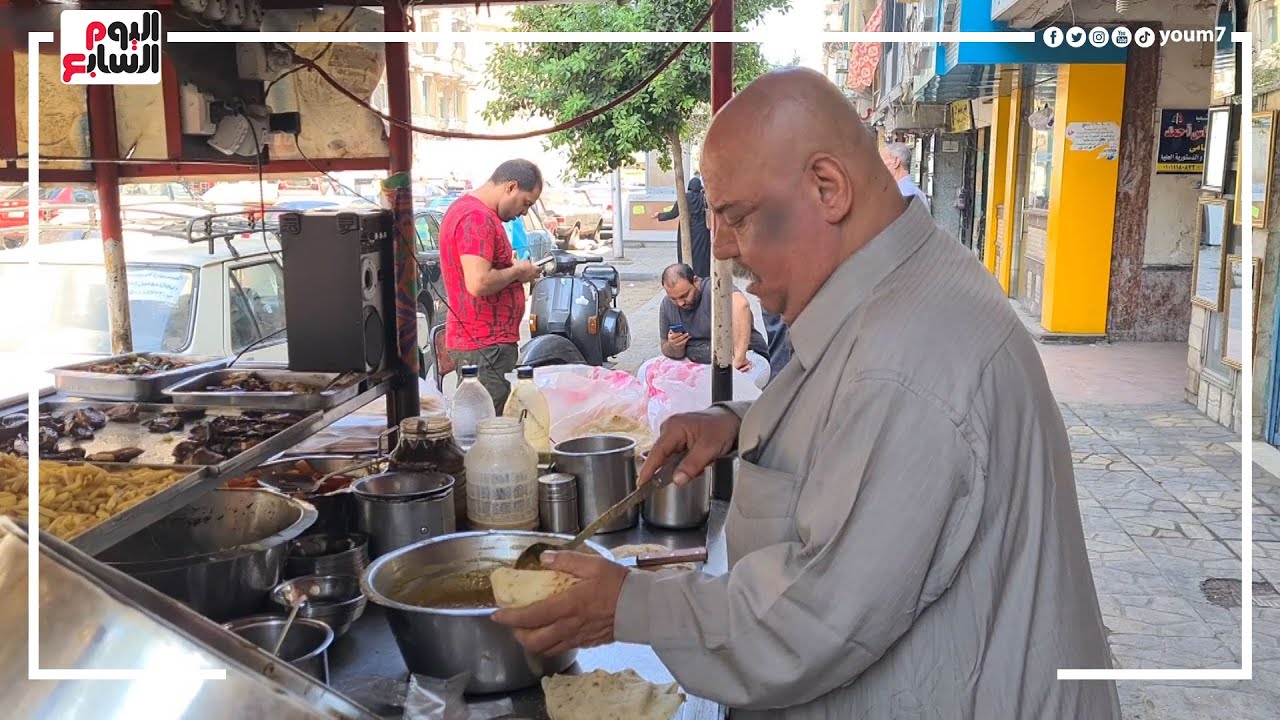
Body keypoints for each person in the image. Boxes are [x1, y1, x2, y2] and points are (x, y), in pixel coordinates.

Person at [491, 68, 1120, 718]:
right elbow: (846, 414)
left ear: (828, 188)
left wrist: (627, 604)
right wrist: (738, 423)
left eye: (737, 218)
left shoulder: (908, 358)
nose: (724, 250)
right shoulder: (894, 288)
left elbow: (813, 620)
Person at [438, 159, 544, 414]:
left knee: (490, 422)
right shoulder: (476, 218)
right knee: (489, 426)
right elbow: (479, 282)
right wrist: (518, 271)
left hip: (485, 345)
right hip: (485, 347)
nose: (524, 212)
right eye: (526, 203)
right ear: (511, 187)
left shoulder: (471, 211)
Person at [659, 263, 768, 377]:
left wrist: (739, 358)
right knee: (651, 370)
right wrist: (675, 346)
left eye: (684, 295)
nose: (680, 303)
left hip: (743, 356)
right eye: (673, 298)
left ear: (696, 281)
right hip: (698, 361)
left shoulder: (714, 288)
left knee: (735, 382)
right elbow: (666, 348)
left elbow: (741, 305)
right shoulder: (667, 305)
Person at [653, 177, 712, 278]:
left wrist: (659, 215)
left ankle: (687, 275)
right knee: (702, 256)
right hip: (702, 232)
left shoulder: (684, 197)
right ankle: (702, 277)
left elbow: (673, 213)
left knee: (686, 254)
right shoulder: (705, 198)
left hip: (686, 231)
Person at [880, 141, 930, 211]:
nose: (878, 167)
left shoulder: (902, 195)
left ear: (896, 162)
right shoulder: (917, 192)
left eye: (881, 161)